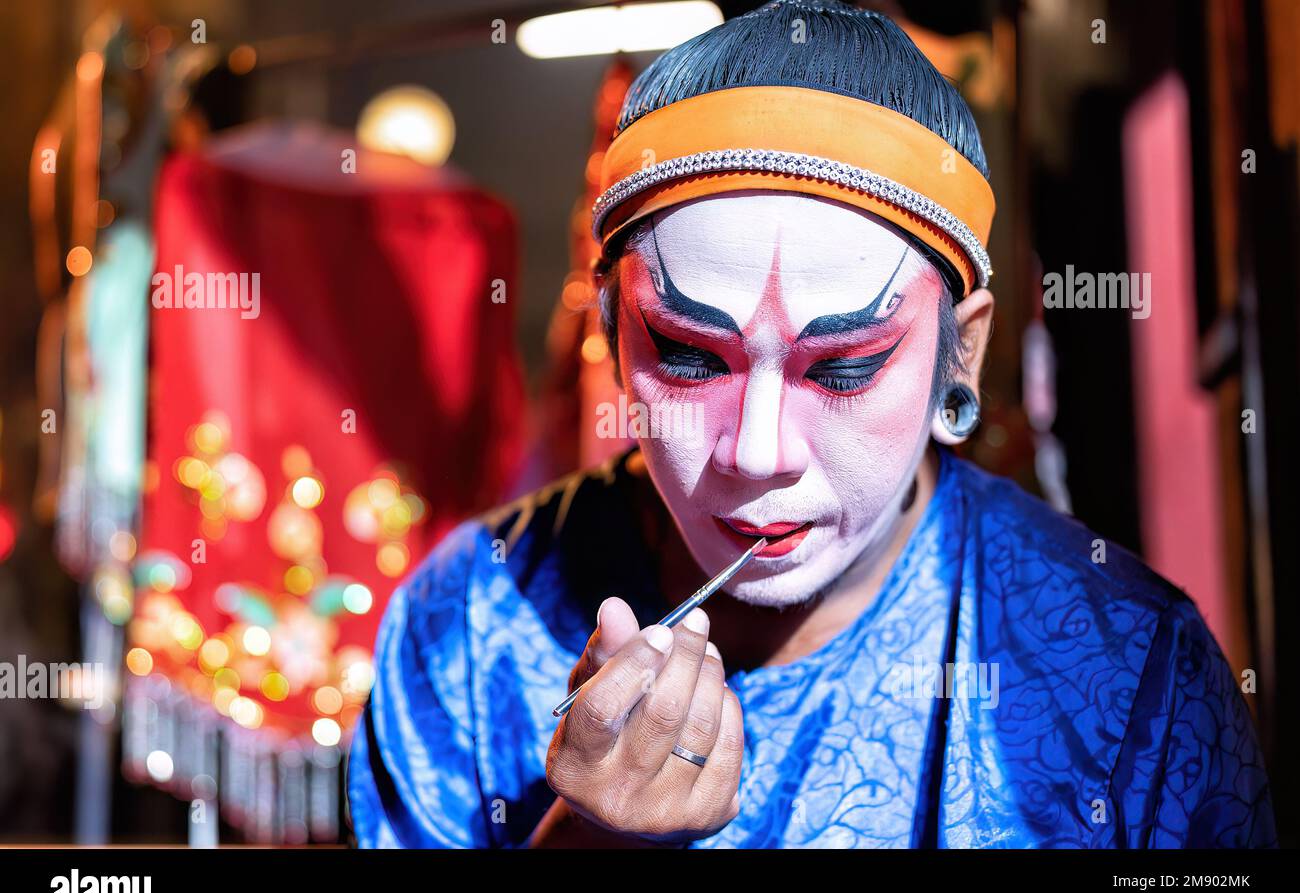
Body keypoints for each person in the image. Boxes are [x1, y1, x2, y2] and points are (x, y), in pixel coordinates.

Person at [347, 0, 1275, 848]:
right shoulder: (467, 622)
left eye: (843, 366)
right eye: (688, 353)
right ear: (610, 328)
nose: (757, 453)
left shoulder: (1131, 672)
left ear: (963, 353)